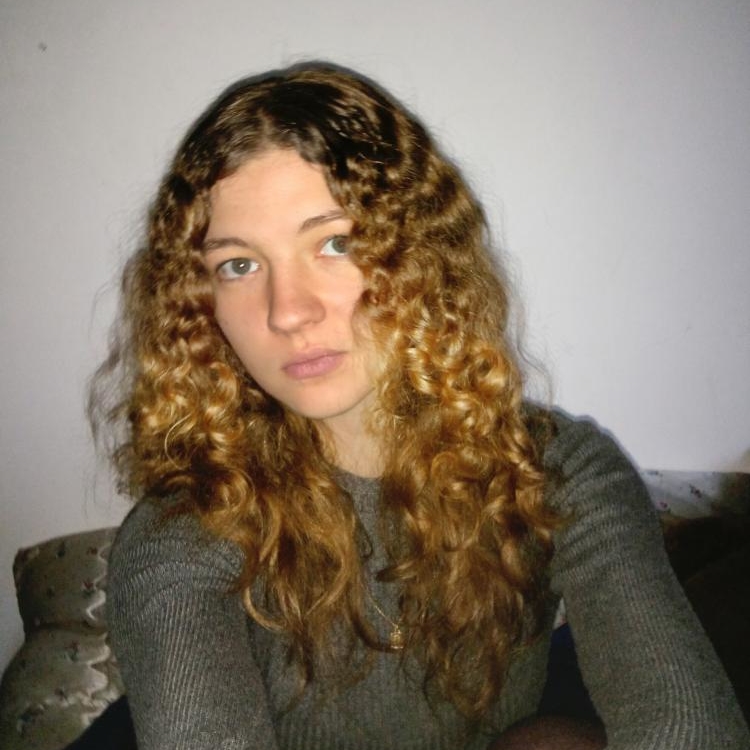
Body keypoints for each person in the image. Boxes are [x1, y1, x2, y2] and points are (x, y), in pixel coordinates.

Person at [92, 63, 748, 749]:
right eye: (239, 265)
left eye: (336, 243)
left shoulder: (558, 471)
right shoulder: (185, 534)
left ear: (419, 254)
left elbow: (685, 725)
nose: (288, 311)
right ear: (200, 303)